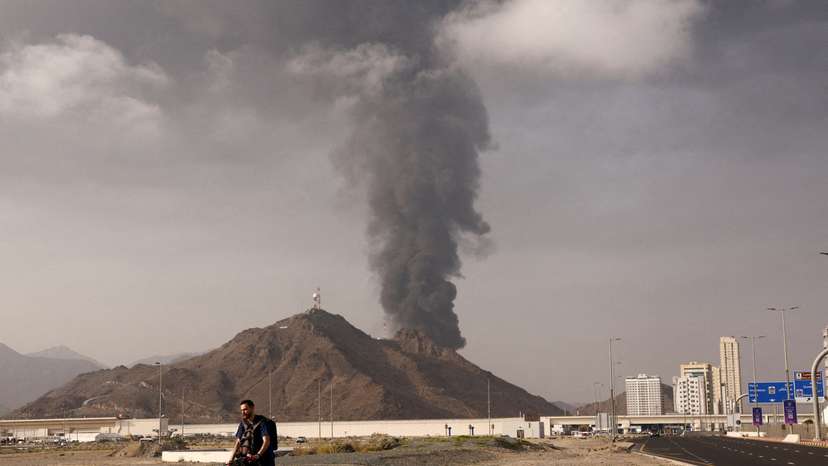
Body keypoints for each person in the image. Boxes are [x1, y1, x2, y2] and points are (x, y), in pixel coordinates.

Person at [227, 399, 275, 466]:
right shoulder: (243, 424)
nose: (243, 412)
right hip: (249, 460)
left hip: (264, 460)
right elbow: (238, 442)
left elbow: (266, 441)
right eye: (242, 410)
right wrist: (231, 460)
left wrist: (258, 455)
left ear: (252, 408)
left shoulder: (262, 422)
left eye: (245, 409)